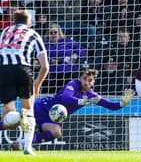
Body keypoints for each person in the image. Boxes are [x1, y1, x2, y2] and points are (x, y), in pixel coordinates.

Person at [13, 69, 133, 148]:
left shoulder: (92, 95)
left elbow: (110, 106)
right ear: (80, 78)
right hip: (40, 108)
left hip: (50, 118)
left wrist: (122, 104)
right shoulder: (73, 84)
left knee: (56, 132)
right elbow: (66, 98)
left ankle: (23, 144)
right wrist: (83, 101)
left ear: (93, 83)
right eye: (84, 78)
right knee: (12, 122)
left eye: (90, 80)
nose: (86, 82)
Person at [0, 10, 49, 154]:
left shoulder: (4, 32)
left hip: (3, 71)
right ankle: (27, 147)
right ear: (29, 22)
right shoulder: (33, 33)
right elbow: (45, 66)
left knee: (7, 113)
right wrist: (37, 84)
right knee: (29, 110)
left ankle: (18, 116)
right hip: (23, 69)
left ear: (14, 21)